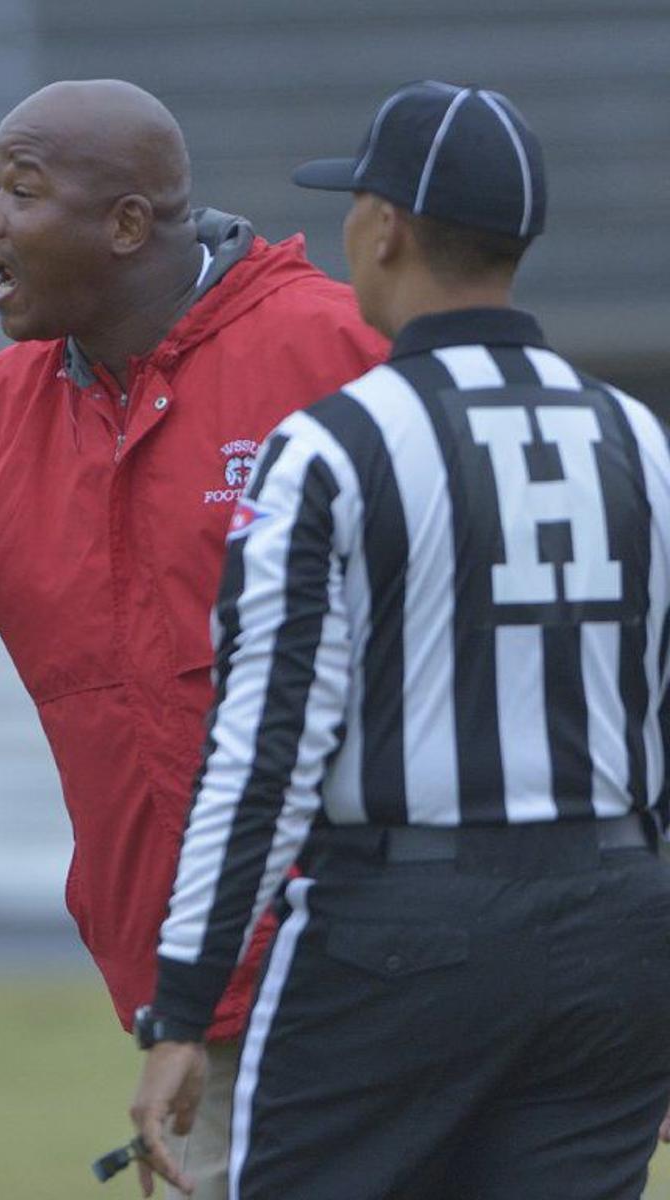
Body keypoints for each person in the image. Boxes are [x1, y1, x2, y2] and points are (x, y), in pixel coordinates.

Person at [0, 78, 386, 1198]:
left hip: (386, 975)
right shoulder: (1, 412)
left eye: (20, 191)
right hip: (189, 999)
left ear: (128, 225)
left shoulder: (335, 353)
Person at [129, 80, 670, 1200]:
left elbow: (267, 742)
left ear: (385, 229)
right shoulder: (638, 439)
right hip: (616, 928)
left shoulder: (334, 447)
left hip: (404, 930)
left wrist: (184, 1002)